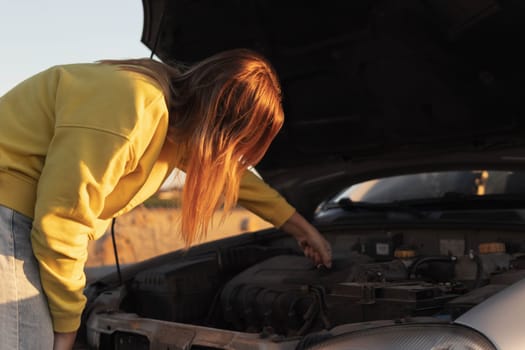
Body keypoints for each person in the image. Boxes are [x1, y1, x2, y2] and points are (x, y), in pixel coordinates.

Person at [0, 48, 332, 349]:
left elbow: (236, 180)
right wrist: (67, 328)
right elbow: (61, 222)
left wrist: (301, 228)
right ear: (219, 129)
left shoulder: (175, 126)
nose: (231, 159)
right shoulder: (136, 106)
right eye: (235, 146)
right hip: (8, 214)